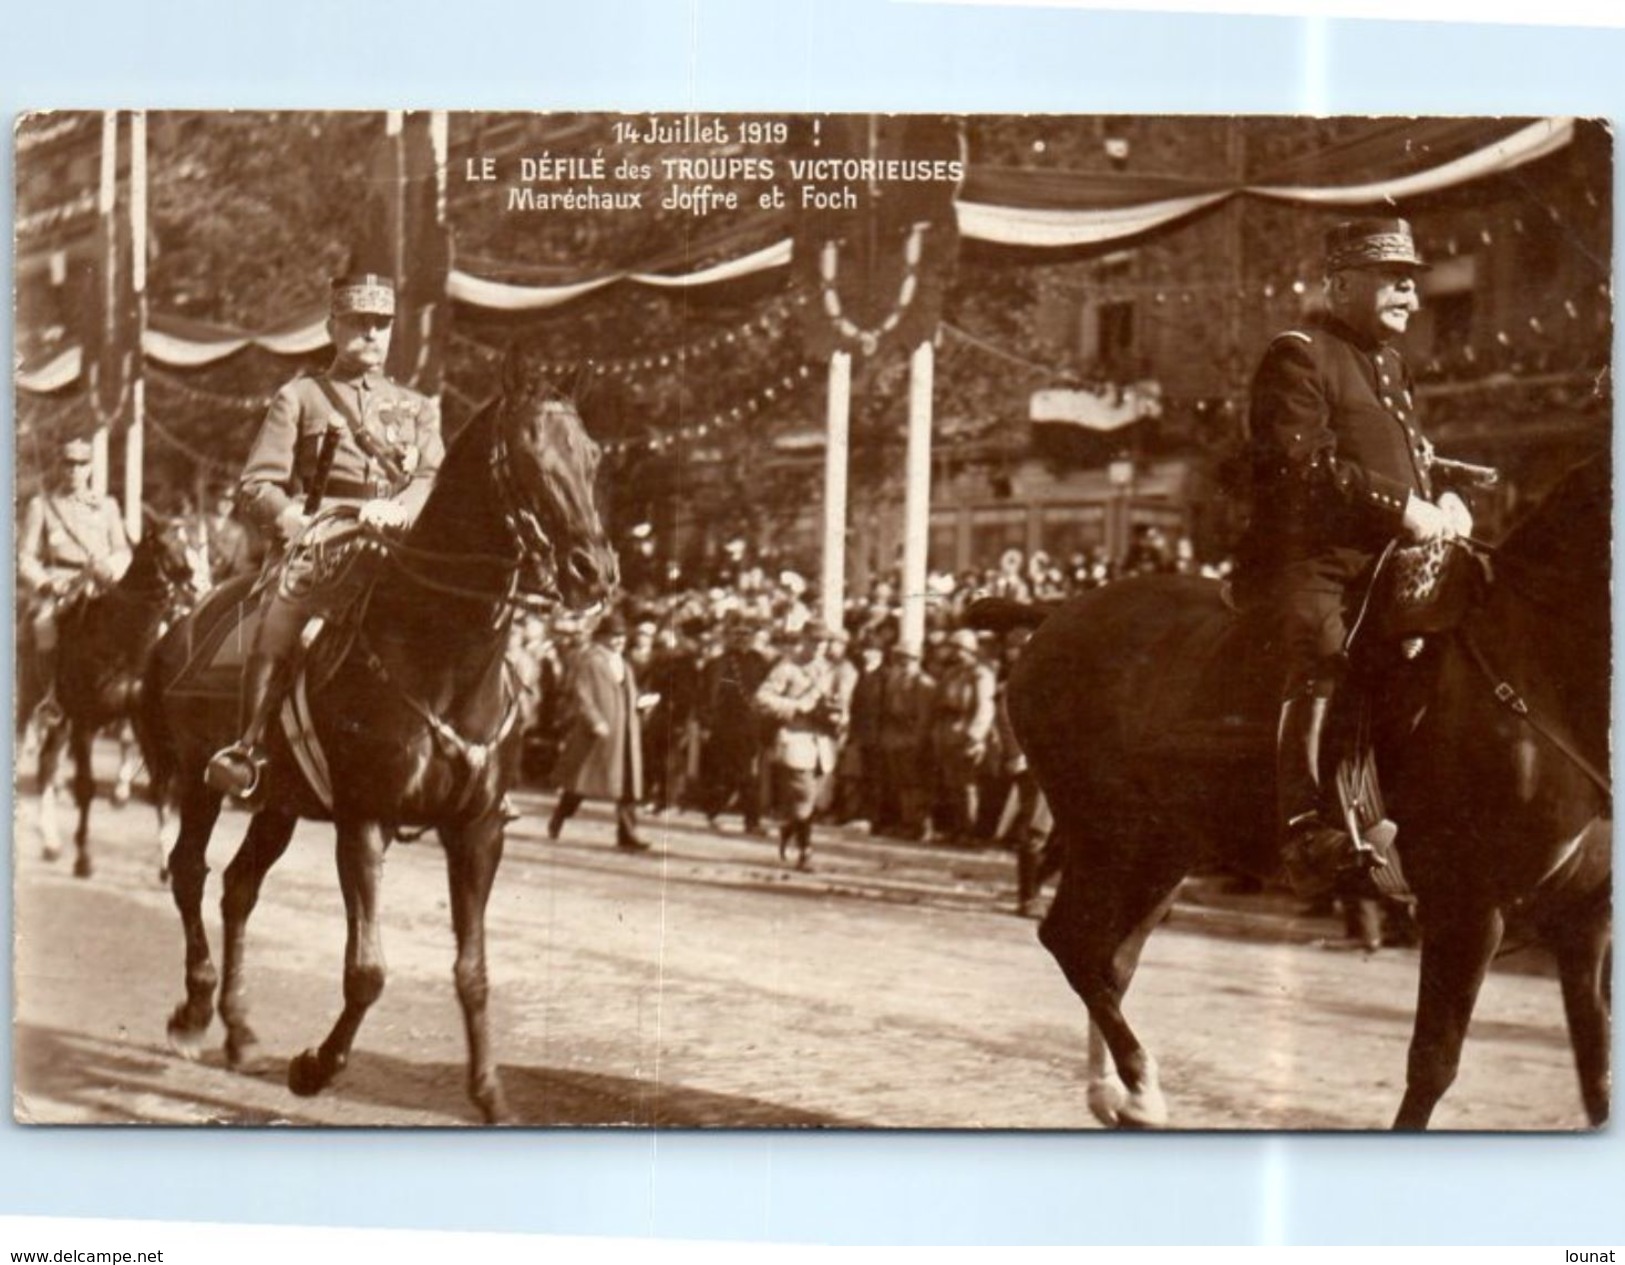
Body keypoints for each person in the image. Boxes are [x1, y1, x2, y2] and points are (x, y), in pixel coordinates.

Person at [1237, 218, 1473, 899]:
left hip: (1390, 561)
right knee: (1322, 649)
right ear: (1342, 283)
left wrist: (1444, 495)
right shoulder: (1300, 353)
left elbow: (1405, 458)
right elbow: (1296, 465)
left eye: (1413, 283)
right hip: (1316, 564)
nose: (1413, 297)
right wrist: (1402, 504)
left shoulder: (1391, 367)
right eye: (1397, 282)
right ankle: (1304, 822)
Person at [204, 273, 444, 803]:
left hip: (398, 545)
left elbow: (430, 476)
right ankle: (250, 750)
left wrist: (401, 510)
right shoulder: (300, 397)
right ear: (333, 327)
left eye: (381, 325)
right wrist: (296, 522)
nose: (372, 335)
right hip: (322, 544)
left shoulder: (419, 407)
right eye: (359, 324)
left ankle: (471, 753)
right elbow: (257, 483)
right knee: (280, 622)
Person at [18, 437, 133, 725]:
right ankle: (50, 695)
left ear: (90, 468)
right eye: (68, 464)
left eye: (81, 464)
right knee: (43, 624)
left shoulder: (106, 506)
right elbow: (25, 556)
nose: (74, 470)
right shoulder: (42, 505)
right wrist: (45, 583)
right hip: (60, 584)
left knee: (141, 623)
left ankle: (134, 693)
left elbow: (122, 549)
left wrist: (110, 567)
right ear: (59, 467)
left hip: (101, 585)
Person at [547, 613, 651, 852]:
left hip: (625, 731)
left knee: (628, 786)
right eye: (614, 636)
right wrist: (594, 720)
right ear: (602, 637)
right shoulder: (590, 660)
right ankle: (560, 816)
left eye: (621, 637)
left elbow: (630, 693)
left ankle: (628, 833)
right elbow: (581, 693)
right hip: (599, 731)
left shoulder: (624, 664)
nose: (618, 641)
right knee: (581, 782)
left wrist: (642, 703)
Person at [754, 621, 846, 870]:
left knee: (814, 800)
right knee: (803, 794)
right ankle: (806, 852)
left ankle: (790, 828)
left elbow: (839, 702)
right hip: (795, 738)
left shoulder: (829, 670)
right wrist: (795, 707)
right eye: (814, 641)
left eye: (823, 642)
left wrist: (838, 716)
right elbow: (762, 698)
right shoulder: (786, 668)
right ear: (803, 639)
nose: (818, 646)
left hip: (822, 743)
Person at [929, 628, 997, 846]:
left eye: (962, 649)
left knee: (968, 786)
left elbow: (985, 708)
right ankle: (956, 829)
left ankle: (970, 831)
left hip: (967, 733)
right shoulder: (951, 674)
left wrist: (975, 736)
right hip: (947, 732)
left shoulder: (981, 675)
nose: (958, 654)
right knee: (951, 785)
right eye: (955, 649)